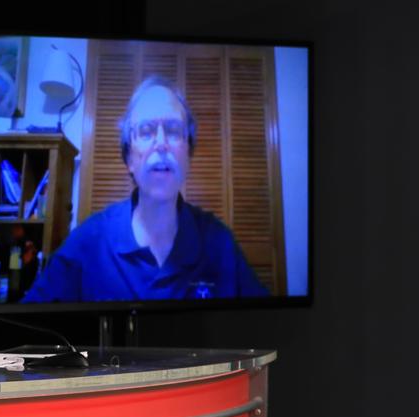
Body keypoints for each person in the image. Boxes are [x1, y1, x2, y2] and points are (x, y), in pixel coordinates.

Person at [25, 76, 269, 302]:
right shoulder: (86, 244)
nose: (161, 144)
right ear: (130, 158)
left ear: (187, 156)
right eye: (146, 131)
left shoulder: (221, 244)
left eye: (174, 131)